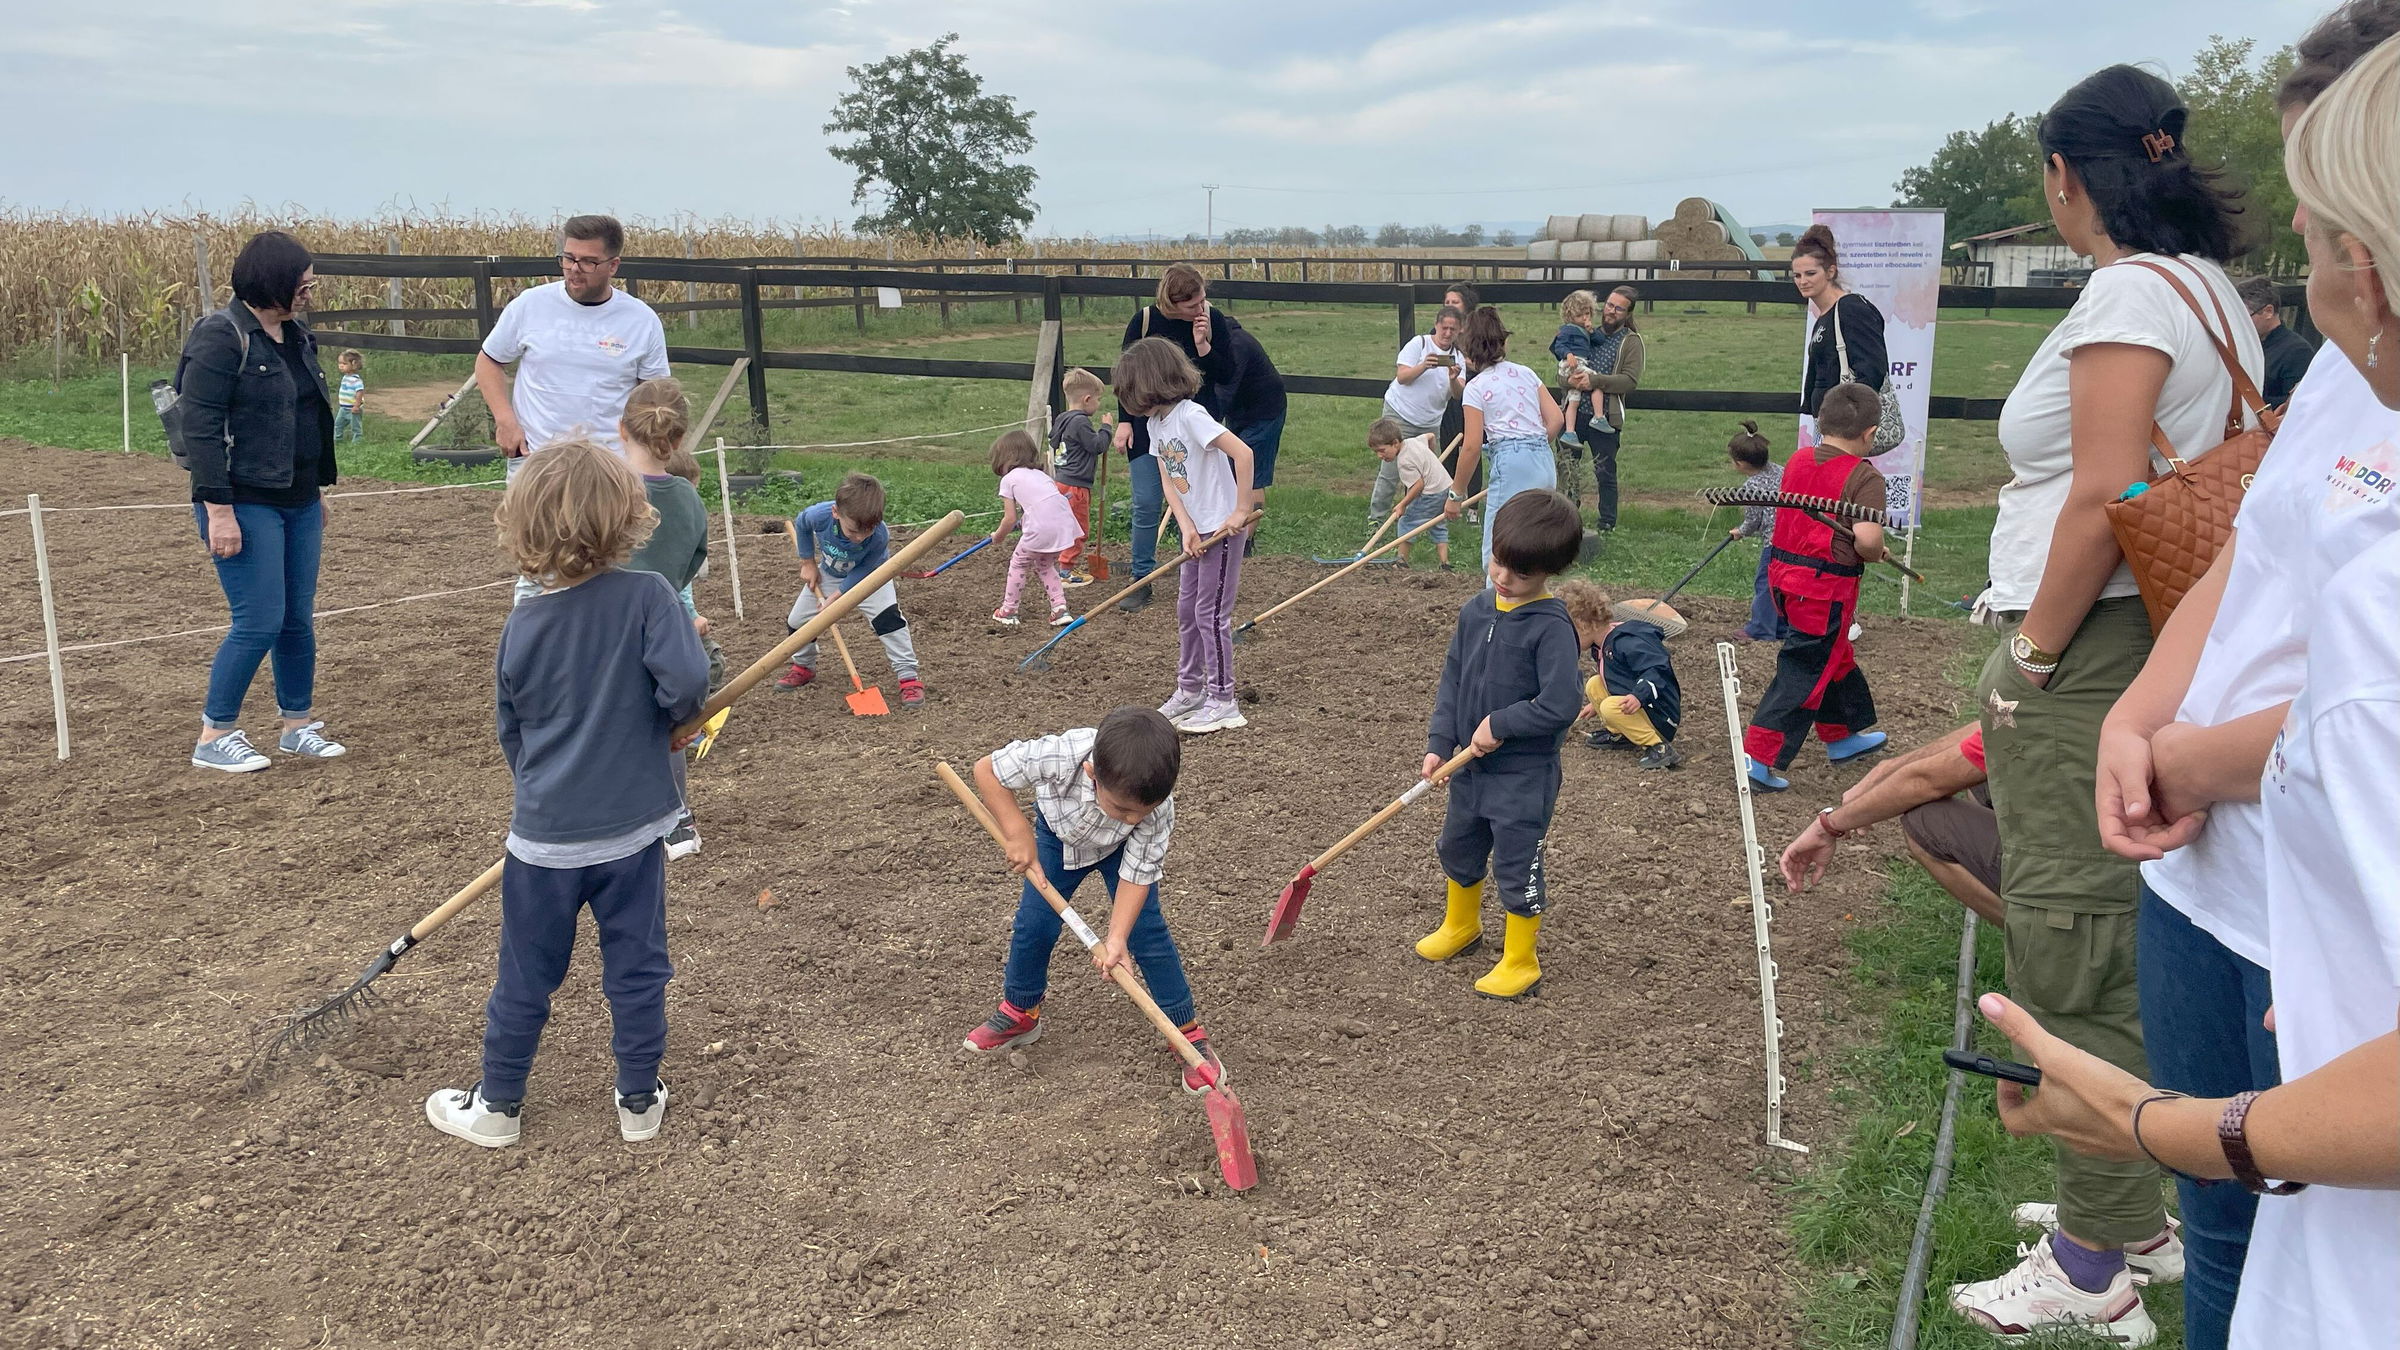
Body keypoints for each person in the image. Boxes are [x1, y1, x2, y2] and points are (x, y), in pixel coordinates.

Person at [2091, 15, 2400, 1345]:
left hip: (2325, 876)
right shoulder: (2346, 368)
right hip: (2218, 871)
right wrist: (2138, 708)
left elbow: (2369, 691)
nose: (2298, 225)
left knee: (2314, 1196)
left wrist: (2191, 763)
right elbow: (2251, 546)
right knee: (2232, 1223)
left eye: (2327, 216)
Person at [1951, 62, 2263, 1345]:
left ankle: (2092, 1264)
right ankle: (2131, 1207)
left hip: (2096, 644)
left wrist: (2030, 652)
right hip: (2158, 633)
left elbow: (2100, 492)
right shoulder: (2212, 289)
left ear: (2067, 177)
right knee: (2117, 922)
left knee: (2069, 931)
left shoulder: (2129, 291)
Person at [424, 441, 708, 1149]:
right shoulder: (650, 598)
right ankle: (638, 1101)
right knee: (637, 967)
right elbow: (686, 688)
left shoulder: (522, 625)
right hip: (635, 834)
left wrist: (549, 792)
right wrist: (663, 722)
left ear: (524, 525)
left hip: (543, 838)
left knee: (525, 975)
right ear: (629, 518)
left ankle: (498, 1106)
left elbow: (511, 732)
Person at [959, 707, 1227, 1094]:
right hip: (1056, 840)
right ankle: (1022, 1012)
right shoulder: (1062, 755)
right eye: (1121, 809)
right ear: (1092, 774)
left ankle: (1185, 1032)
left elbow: (1137, 875)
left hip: (1120, 853)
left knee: (1147, 934)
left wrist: (1116, 939)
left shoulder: (1153, 811)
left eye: (1142, 813)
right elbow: (988, 770)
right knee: (1034, 925)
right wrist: (1017, 832)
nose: (1131, 819)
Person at [172, 230, 347, 773]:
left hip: (296, 499)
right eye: (303, 280)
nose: (310, 289)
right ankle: (214, 733)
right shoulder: (220, 337)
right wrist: (218, 510)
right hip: (242, 499)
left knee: (297, 617)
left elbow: (305, 416)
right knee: (259, 619)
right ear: (273, 280)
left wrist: (314, 489)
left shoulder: (297, 336)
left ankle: (297, 725)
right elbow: (200, 429)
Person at [1415, 491, 1584, 999]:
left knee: (1516, 862)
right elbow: (1453, 679)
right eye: (1498, 562)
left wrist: (1502, 723)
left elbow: (1561, 704)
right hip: (1468, 767)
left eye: (1520, 573)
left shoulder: (1552, 628)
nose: (1503, 578)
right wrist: (1440, 741)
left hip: (1522, 776)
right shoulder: (1477, 610)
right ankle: (1461, 926)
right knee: (1458, 846)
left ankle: (1520, 959)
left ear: (1550, 571)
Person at [475, 215, 671, 603]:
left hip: (609, 469)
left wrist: (647, 455)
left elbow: (653, 396)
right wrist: (505, 420)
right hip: (537, 463)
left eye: (587, 262)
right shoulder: (531, 305)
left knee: (609, 567)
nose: (574, 270)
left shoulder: (640, 321)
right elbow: (489, 361)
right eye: (567, 258)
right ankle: (533, 652)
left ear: (613, 265)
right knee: (537, 570)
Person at [1742, 383, 1890, 792]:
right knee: (1805, 669)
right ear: (1870, 434)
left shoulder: (1798, 460)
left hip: (1784, 580)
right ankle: (1759, 756)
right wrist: (1876, 551)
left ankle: (1842, 737)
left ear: (1820, 423)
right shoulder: (1865, 478)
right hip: (1824, 590)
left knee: (1834, 655)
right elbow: (1868, 541)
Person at [1117, 337, 1256, 736]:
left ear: (1151, 383)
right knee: (1186, 611)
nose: (1126, 400)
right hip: (1198, 531)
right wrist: (1185, 526)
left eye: (1129, 391)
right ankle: (1190, 689)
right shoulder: (1154, 423)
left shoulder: (1192, 416)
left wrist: (1241, 511)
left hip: (1223, 530)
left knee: (1210, 615)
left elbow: (1243, 454)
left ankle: (1224, 700)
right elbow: (1166, 475)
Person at [616, 378, 712, 864]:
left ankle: (620, 814)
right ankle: (678, 821)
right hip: (666, 618)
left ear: (620, 430)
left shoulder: (607, 487)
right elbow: (695, 557)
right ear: (678, 440)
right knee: (667, 721)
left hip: (608, 625)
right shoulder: (689, 498)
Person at [1779, 723, 2004, 928]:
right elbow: (1987, 725)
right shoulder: (2031, 693)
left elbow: (1927, 781)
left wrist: (1828, 825)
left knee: (1926, 823)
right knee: (1984, 783)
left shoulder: (2032, 702)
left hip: (2040, 853)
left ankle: (2032, 937)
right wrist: (1888, 769)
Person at [1109, 264, 1241, 612]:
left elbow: (1227, 373)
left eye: (1202, 300)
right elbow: (1129, 375)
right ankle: (1142, 579)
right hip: (1149, 423)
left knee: (1199, 500)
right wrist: (1125, 422)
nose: (1199, 309)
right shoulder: (1145, 321)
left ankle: (1207, 576)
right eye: (1191, 305)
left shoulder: (1212, 319)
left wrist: (1203, 345)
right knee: (1147, 501)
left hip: (1196, 426)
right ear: (1171, 302)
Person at [775, 473, 924, 706]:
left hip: (872, 577)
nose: (860, 537)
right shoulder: (820, 515)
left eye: (868, 531)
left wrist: (836, 598)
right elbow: (802, 523)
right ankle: (804, 667)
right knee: (797, 622)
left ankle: (908, 678)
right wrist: (808, 563)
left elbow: (864, 570)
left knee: (889, 622)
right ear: (836, 512)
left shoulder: (880, 536)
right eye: (853, 531)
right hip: (830, 573)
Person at [1445, 308, 1566, 576]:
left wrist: (1456, 495)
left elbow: (1472, 446)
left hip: (1510, 462)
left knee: (1498, 545)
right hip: (1543, 460)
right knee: (1534, 540)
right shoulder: (1526, 373)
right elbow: (1556, 419)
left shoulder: (1475, 389)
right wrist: (1532, 447)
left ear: (1468, 352)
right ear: (1504, 342)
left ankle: (1497, 609)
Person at [1557, 581, 1683, 770]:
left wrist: (1638, 696)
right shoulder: (1602, 644)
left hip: (1660, 715)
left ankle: (1658, 746)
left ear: (1583, 626)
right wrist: (1596, 703)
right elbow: (1618, 677)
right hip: (1640, 704)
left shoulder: (1626, 642)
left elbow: (1657, 670)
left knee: (1609, 707)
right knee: (1594, 684)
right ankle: (1622, 734)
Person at [1562, 285, 1646, 535]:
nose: (1610, 311)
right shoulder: (1585, 332)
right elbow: (1562, 370)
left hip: (1605, 416)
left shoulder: (1631, 342)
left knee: (1605, 471)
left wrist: (1596, 381)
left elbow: (1630, 381)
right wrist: (1569, 381)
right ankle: (1566, 519)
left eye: (1618, 308)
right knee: (1567, 468)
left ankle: (1607, 522)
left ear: (1628, 313)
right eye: (1609, 305)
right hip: (1575, 413)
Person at [1375, 305, 1467, 523]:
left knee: (1425, 473)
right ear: (1436, 326)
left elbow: (1457, 395)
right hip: (1400, 414)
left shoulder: (1458, 357)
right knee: (1390, 469)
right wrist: (1424, 366)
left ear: (1459, 331)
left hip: (1430, 423)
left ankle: (1417, 518)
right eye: (1444, 328)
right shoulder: (1420, 344)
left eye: (1452, 329)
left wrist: (1453, 379)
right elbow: (1402, 377)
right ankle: (1377, 517)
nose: (1447, 333)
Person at [987, 429, 1079, 629]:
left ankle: (1009, 610)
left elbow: (1009, 518)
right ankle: (1060, 609)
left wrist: (998, 536)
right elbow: (1044, 505)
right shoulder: (1041, 475)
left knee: (1019, 563)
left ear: (1006, 457)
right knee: (1045, 565)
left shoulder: (1008, 480)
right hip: (1064, 525)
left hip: (1042, 528)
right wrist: (1023, 522)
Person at [1794, 226, 1887, 422]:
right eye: (1797, 275)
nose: (1803, 281)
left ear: (1830, 272)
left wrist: (1850, 419)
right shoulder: (1825, 315)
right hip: (1826, 421)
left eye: (1810, 273)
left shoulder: (1850, 308)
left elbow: (1872, 369)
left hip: (1845, 425)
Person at [1218, 320, 1286, 545]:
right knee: (1231, 468)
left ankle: (1245, 541)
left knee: (1252, 474)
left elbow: (1225, 390)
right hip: (1240, 411)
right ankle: (1231, 529)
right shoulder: (1216, 344)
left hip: (1264, 412)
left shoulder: (1237, 345)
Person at [1726, 420, 1788, 644]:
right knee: (1784, 584)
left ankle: (1761, 628)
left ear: (1741, 463)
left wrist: (1740, 531)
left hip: (1774, 542)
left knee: (1766, 583)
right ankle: (1782, 626)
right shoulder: (1781, 471)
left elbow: (1753, 520)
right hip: (1793, 538)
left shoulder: (1751, 488)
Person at [1365, 417, 1454, 570]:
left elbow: (1418, 485)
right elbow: (1430, 437)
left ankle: (1401, 561)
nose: (1379, 456)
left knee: (1407, 521)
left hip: (1431, 493)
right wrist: (1430, 456)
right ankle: (1445, 563)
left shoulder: (1404, 462)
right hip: (1446, 487)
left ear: (1395, 443)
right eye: (1376, 452)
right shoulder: (1414, 441)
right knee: (1437, 522)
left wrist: (1402, 505)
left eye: (1382, 451)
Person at [1051, 367, 1110, 584]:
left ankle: (1058, 564)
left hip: (1061, 481)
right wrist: (1106, 428)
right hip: (1076, 487)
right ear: (1087, 399)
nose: (1098, 403)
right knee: (1077, 529)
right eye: (1098, 399)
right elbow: (1097, 446)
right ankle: (1066, 571)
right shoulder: (1080, 422)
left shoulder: (1062, 419)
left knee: (1064, 525)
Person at [2236, 275, 2316, 407]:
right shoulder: (2243, 345)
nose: (2238, 323)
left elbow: (2294, 404)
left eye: (2244, 316)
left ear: (2268, 311)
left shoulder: (2298, 352)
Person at [1550, 290, 1600, 453]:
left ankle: (1570, 432)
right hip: (1572, 363)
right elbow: (1559, 345)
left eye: (1587, 314)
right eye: (1580, 316)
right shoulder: (1568, 329)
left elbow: (1600, 340)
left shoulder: (1586, 330)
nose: (1585, 318)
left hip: (1578, 363)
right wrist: (1568, 354)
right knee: (1597, 380)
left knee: (1574, 399)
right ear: (1570, 316)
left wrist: (1591, 330)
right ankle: (1599, 416)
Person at [333, 350, 365, 443]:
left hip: (353, 408)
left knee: (355, 426)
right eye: (339, 363)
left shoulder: (356, 380)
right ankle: (337, 439)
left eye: (344, 363)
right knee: (338, 424)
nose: (341, 366)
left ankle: (357, 441)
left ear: (354, 364)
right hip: (343, 408)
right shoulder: (345, 377)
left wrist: (356, 406)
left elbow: (359, 393)